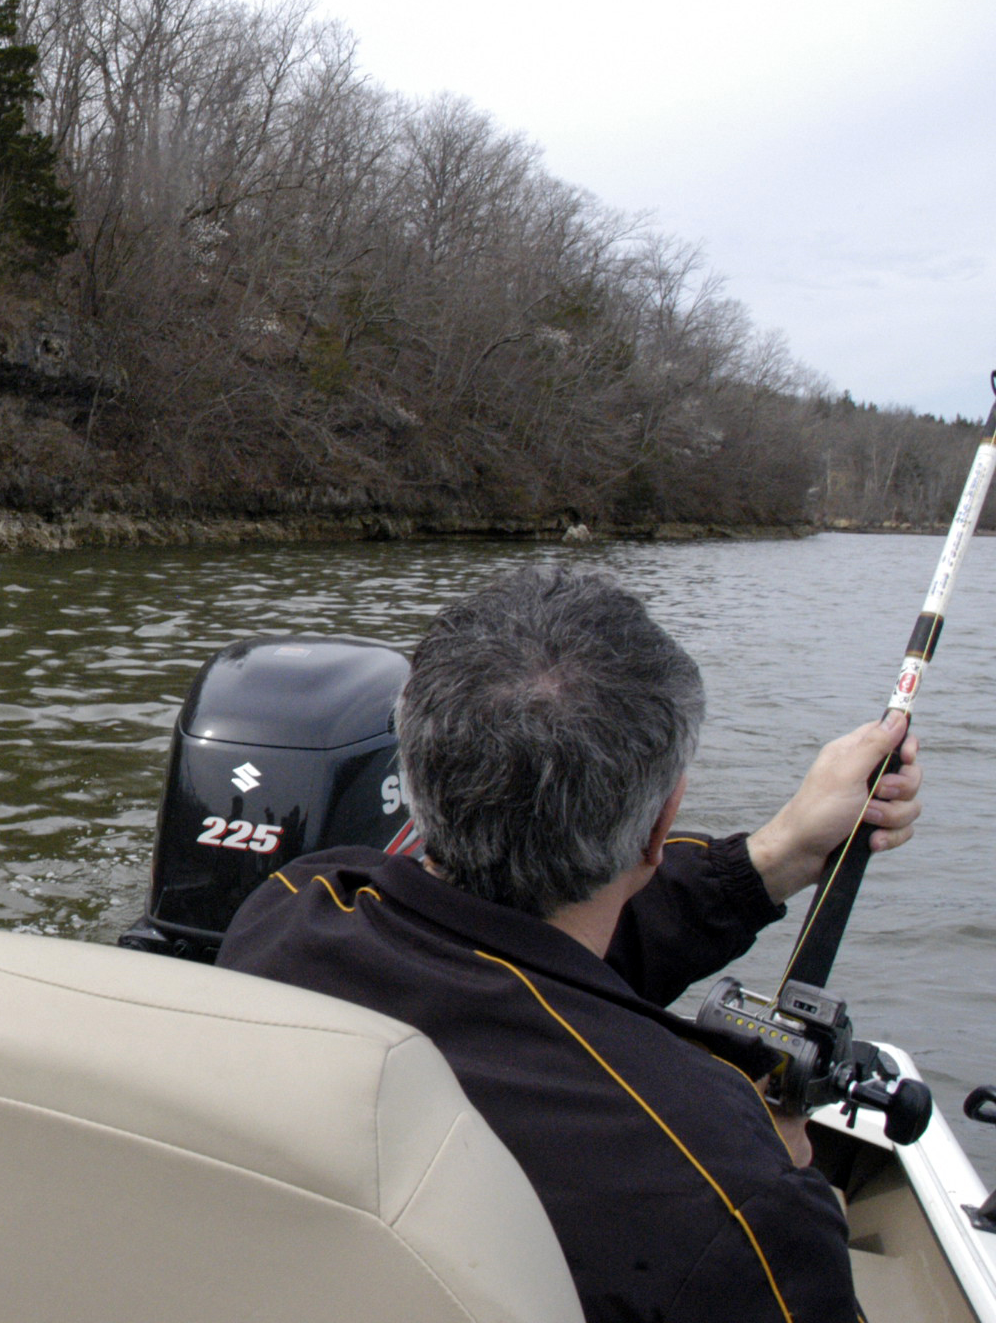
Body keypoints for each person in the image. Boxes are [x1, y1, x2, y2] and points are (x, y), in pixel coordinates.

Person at [218, 563, 921, 1323]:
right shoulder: (731, 1194)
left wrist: (770, 860)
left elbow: (515, 963)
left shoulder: (291, 913)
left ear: (416, 778)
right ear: (661, 826)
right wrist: (772, 1181)